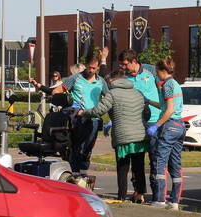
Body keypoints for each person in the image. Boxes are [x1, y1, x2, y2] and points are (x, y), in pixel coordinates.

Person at [81, 71, 148, 203]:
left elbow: (99, 110)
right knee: (138, 167)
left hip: (123, 137)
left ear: (111, 81)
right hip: (140, 136)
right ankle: (140, 194)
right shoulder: (138, 92)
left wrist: (84, 112)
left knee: (123, 168)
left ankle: (122, 196)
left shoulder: (112, 94)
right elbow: (147, 112)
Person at [118, 48, 163, 197]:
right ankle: (139, 192)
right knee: (137, 159)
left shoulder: (151, 71)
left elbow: (162, 90)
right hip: (135, 122)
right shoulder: (124, 78)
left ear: (134, 62)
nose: (123, 68)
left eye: (125, 64)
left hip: (154, 121)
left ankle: (157, 194)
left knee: (155, 158)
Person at [54, 53, 109, 175]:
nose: (90, 70)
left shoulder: (101, 82)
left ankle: (83, 172)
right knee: (77, 147)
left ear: (98, 67)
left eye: (93, 68)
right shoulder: (76, 78)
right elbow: (58, 90)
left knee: (87, 148)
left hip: (94, 119)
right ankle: (75, 173)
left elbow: (109, 98)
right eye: (88, 67)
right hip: (77, 118)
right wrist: (59, 99)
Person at [148, 57, 185, 210]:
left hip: (169, 127)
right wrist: (149, 101)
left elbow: (169, 110)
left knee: (160, 162)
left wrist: (156, 125)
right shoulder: (176, 84)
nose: (157, 76)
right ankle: (175, 201)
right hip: (180, 126)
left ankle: (160, 199)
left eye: (157, 73)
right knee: (175, 164)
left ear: (162, 71)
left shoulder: (167, 85)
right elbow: (165, 105)